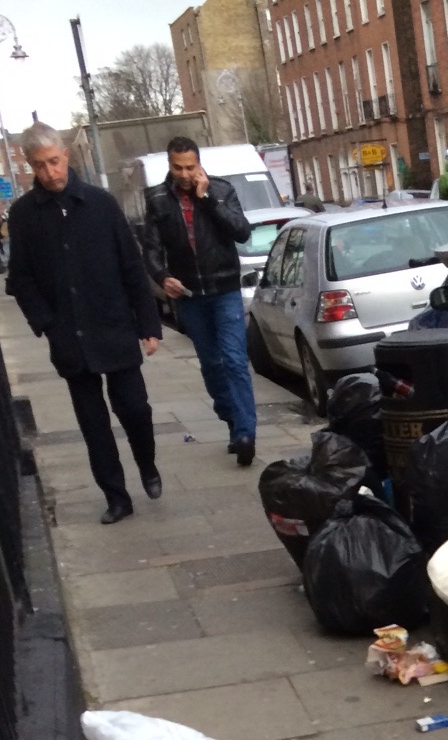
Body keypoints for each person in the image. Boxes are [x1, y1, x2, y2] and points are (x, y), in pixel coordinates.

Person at [6, 123, 162, 524]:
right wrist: (47, 323)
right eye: (39, 166)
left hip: (113, 325)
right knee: (94, 425)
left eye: (53, 161)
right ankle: (116, 496)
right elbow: (20, 278)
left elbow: (131, 266)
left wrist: (148, 324)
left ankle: (147, 464)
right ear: (30, 165)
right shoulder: (24, 216)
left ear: (66, 155)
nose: (49, 173)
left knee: (135, 409)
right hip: (69, 336)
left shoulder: (100, 204)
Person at [143, 136, 259, 466]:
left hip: (225, 289)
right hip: (190, 296)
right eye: (178, 168)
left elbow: (241, 231)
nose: (184, 174)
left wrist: (206, 198)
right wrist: (163, 276)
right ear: (170, 165)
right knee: (211, 365)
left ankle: (245, 434)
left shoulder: (221, 190)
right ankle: (232, 420)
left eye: (190, 167)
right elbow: (150, 249)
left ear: (199, 164)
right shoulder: (157, 199)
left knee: (234, 360)